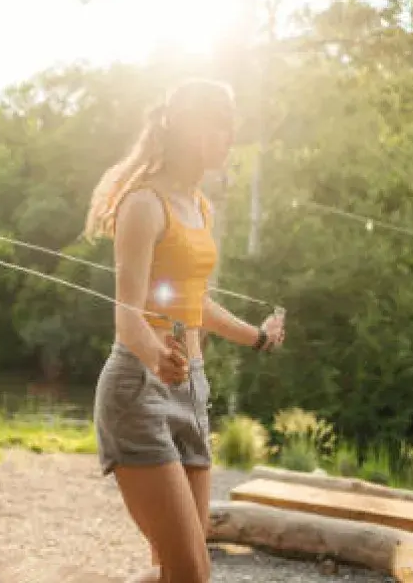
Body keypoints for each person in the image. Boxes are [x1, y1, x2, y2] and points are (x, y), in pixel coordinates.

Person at [84, 78, 287, 583]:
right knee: (190, 573)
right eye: (222, 126)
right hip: (139, 389)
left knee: (186, 573)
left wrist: (256, 337)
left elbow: (199, 305)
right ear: (194, 129)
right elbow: (125, 313)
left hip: (192, 389)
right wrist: (155, 354)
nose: (229, 138)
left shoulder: (199, 205)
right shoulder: (144, 204)